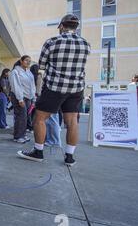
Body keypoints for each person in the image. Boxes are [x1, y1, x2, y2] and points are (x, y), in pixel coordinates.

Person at [18, 14, 91, 167]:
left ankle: (38, 152)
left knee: (39, 118)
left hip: (55, 87)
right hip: (76, 89)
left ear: (62, 26)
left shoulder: (52, 42)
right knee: (72, 122)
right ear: (76, 27)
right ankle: (69, 156)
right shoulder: (85, 44)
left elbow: (42, 66)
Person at [9, 55, 36, 144]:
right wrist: (20, 99)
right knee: (21, 116)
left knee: (25, 117)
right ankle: (17, 136)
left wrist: (33, 98)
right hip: (19, 97)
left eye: (30, 61)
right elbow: (16, 86)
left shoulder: (28, 72)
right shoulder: (15, 72)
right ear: (21, 61)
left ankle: (23, 134)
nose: (28, 62)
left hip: (28, 97)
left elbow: (32, 85)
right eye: (26, 60)